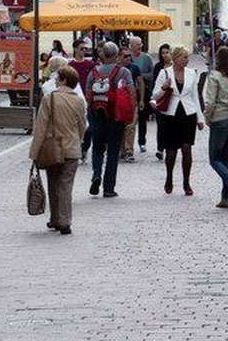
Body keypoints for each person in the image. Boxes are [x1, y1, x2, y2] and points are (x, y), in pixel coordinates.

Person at [30, 65, 86, 235]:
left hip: (53, 148)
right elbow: (82, 125)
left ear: (63, 80)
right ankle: (64, 220)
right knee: (66, 185)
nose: (55, 80)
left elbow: (40, 127)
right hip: (72, 148)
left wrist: (34, 152)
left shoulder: (49, 99)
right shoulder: (78, 101)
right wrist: (79, 141)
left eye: (57, 78)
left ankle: (56, 219)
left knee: (53, 183)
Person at [83, 41, 134, 198]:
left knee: (97, 149)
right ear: (116, 55)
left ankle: (96, 174)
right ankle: (108, 187)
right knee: (113, 151)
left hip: (97, 114)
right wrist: (131, 112)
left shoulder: (94, 72)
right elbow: (131, 91)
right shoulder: (123, 72)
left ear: (103, 55)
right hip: (115, 115)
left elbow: (87, 94)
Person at [152, 44, 204, 194]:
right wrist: (164, 87)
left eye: (187, 57)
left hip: (188, 114)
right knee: (171, 151)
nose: (187, 60)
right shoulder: (164, 73)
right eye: (184, 57)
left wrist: (200, 119)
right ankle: (169, 178)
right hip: (171, 114)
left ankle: (186, 183)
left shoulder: (191, 74)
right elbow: (154, 95)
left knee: (187, 149)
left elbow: (195, 96)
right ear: (175, 58)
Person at [202, 46, 228, 208]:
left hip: (219, 119)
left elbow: (210, 101)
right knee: (225, 158)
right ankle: (227, 197)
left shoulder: (215, 77)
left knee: (214, 159)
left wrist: (207, 117)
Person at [130, 36, 154, 152]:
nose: (140, 46)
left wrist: (140, 76)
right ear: (131, 46)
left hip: (143, 90)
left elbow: (151, 75)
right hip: (130, 91)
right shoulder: (127, 58)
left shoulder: (147, 58)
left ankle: (142, 142)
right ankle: (128, 144)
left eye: (140, 44)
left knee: (142, 117)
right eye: (138, 44)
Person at [150, 45, 172, 161]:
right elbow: (154, 84)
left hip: (172, 100)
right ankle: (160, 149)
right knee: (161, 125)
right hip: (160, 100)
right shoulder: (158, 67)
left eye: (167, 52)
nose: (165, 55)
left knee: (169, 126)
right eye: (162, 53)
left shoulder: (176, 67)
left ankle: (168, 147)